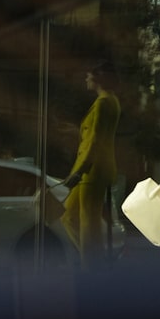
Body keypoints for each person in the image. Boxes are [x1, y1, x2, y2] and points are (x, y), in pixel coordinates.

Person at [62, 61, 120, 268]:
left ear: (97, 79)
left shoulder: (104, 103)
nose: (86, 80)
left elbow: (95, 140)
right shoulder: (108, 101)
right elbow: (93, 136)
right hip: (92, 169)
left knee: (88, 222)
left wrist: (81, 170)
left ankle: (93, 268)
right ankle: (95, 262)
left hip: (92, 170)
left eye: (88, 76)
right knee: (69, 216)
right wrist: (76, 131)